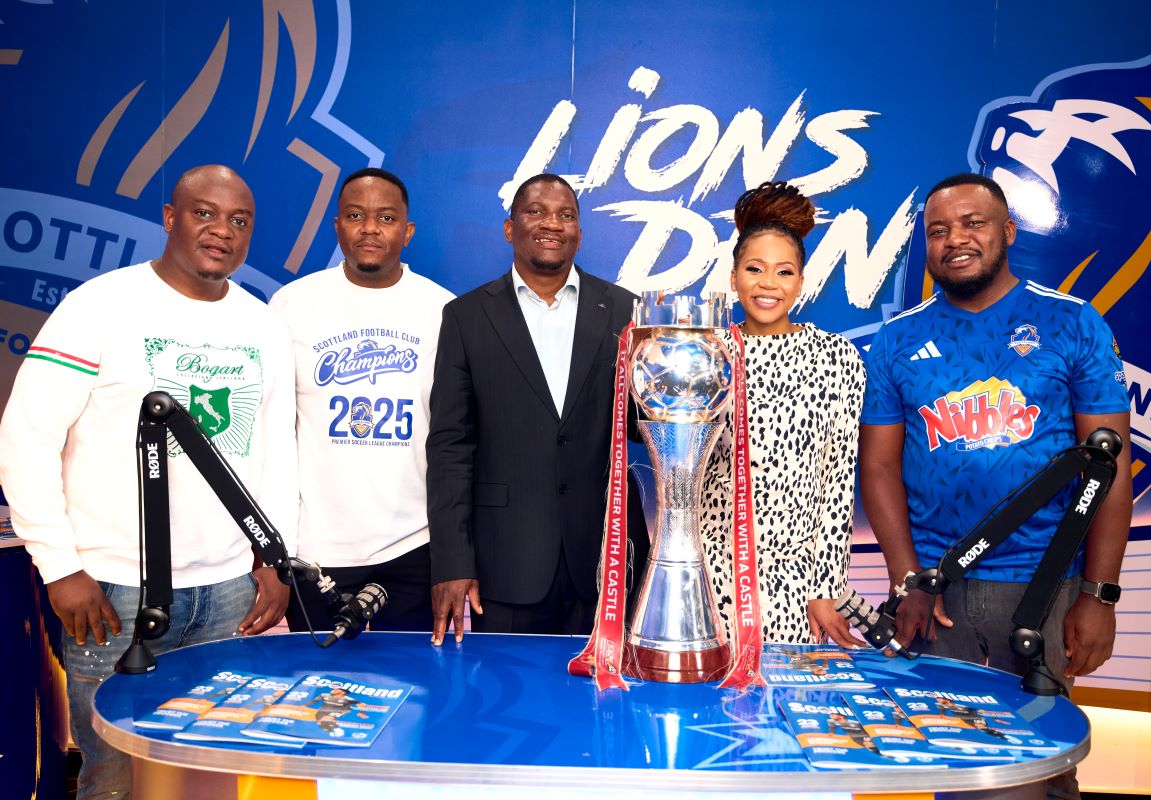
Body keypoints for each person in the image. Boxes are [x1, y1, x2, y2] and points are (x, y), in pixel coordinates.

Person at [0, 165, 298, 799]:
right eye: (204, 213)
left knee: (210, 773)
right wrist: (61, 567)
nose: (222, 230)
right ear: (169, 217)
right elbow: (26, 436)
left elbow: (276, 454)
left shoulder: (264, 326)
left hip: (228, 591)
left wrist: (275, 559)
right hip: (112, 589)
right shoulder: (100, 306)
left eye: (239, 221)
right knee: (113, 778)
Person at [859, 173, 1132, 800]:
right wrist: (908, 580)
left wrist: (1100, 595)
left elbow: (1110, 466)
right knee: (955, 763)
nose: (955, 239)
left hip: (1045, 586)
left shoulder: (1072, 323)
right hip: (939, 591)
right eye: (938, 230)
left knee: (1042, 764)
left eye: (973, 223)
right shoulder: (898, 339)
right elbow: (878, 468)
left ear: (1007, 231)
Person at [426, 173, 647, 644]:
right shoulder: (466, 317)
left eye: (566, 215)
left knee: (608, 691)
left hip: (605, 560)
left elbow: (641, 423)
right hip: (505, 561)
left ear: (579, 233)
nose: (552, 223)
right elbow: (450, 447)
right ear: (510, 228)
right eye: (536, 212)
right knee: (505, 689)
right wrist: (452, 561)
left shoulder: (627, 311)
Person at [270, 167, 453, 634]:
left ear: (407, 232)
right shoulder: (291, 304)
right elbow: (271, 433)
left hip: (414, 546)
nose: (370, 228)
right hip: (315, 548)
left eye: (386, 218)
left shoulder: (443, 310)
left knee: (413, 678)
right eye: (355, 215)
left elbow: (456, 438)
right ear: (337, 226)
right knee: (317, 680)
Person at [700, 182, 863, 648]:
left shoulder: (836, 357)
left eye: (784, 272)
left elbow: (837, 482)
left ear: (800, 281)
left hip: (797, 582)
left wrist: (826, 588)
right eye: (754, 269)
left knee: (788, 691)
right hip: (711, 571)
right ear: (734, 277)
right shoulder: (707, 354)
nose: (768, 284)